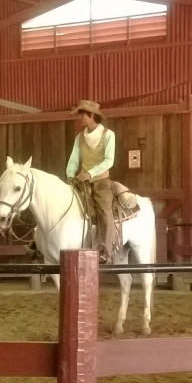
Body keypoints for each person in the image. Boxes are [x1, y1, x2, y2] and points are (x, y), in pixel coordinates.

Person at [65, 99, 117, 264]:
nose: (80, 118)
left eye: (82, 114)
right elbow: (73, 160)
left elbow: (109, 161)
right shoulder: (79, 138)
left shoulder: (109, 135)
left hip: (101, 182)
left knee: (104, 210)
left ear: (91, 115)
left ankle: (106, 249)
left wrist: (90, 173)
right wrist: (70, 175)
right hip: (82, 182)